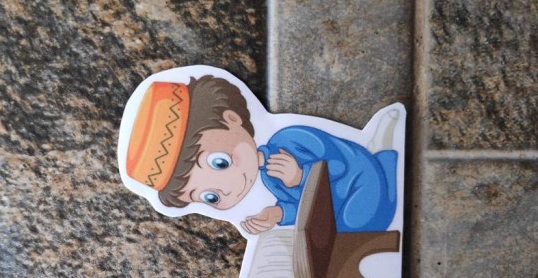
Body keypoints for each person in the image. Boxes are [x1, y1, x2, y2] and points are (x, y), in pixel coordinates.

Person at [125, 75, 399, 235]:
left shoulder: (290, 138)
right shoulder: (267, 176)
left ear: (232, 119)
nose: (227, 189)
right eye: (211, 197)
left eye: (220, 163)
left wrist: (302, 176)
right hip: (335, 210)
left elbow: (339, 166)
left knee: (353, 227)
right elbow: (304, 205)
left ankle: (384, 154)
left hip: (361, 186)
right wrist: (277, 213)